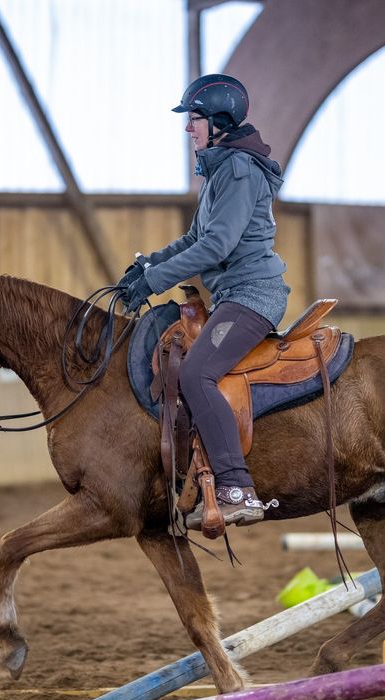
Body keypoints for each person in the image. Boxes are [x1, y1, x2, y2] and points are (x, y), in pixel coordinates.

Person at [117, 73, 290, 530]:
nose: (187, 128)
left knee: (198, 372)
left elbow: (215, 248)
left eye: (193, 119)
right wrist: (146, 266)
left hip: (253, 295)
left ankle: (237, 488)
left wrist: (154, 282)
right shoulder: (219, 170)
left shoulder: (236, 168)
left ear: (217, 121)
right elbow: (195, 238)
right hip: (232, 294)